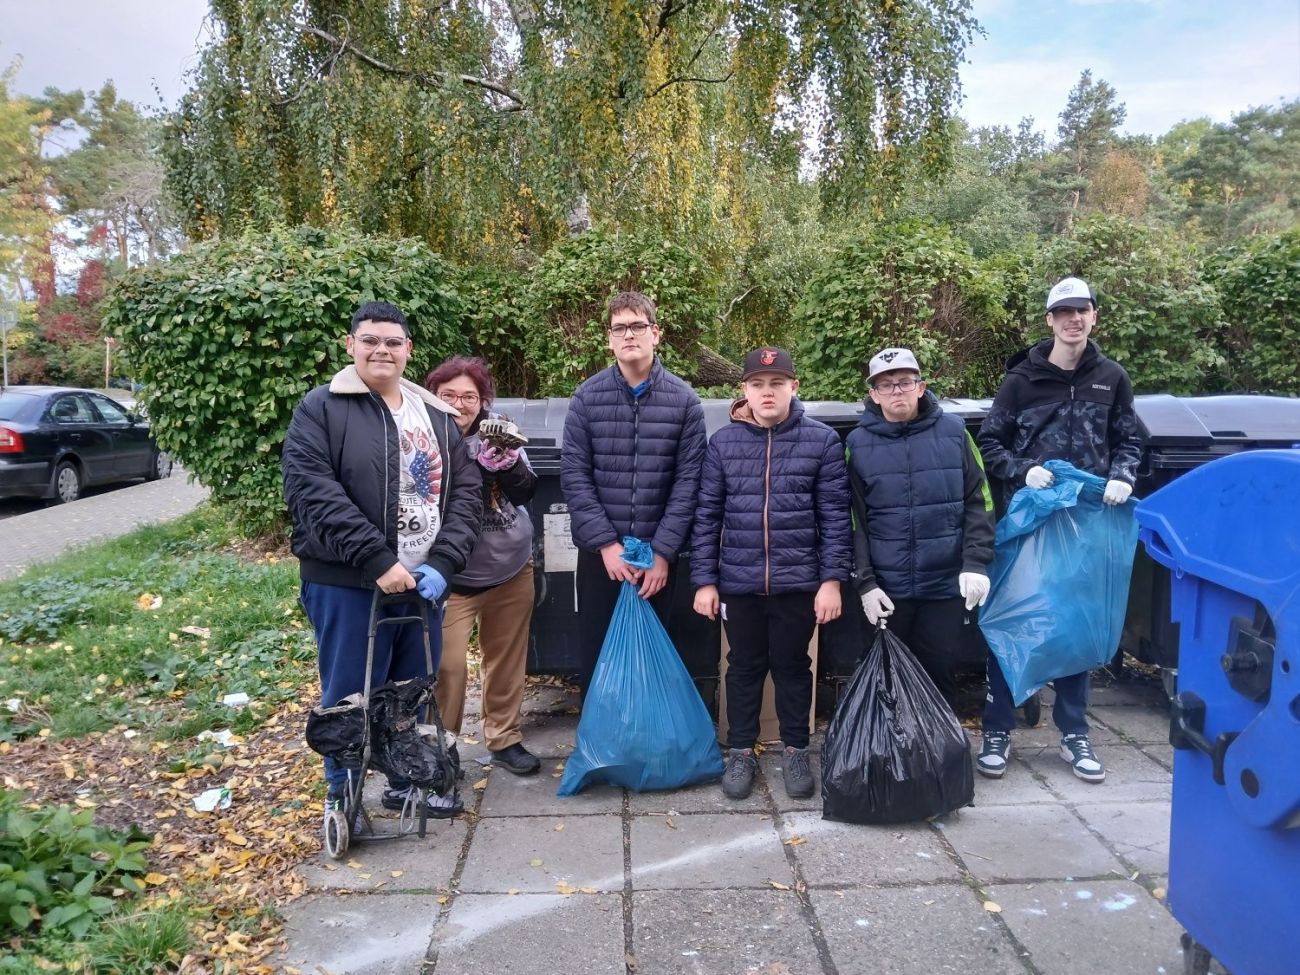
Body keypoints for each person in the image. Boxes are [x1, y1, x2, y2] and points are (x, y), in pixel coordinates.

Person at [283, 301, 482, 819]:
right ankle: (343, 795)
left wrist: (444, 563)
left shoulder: (434, 415)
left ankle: (405, 781)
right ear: (351, 344)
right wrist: (376, 560)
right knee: (349, 695)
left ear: (408, 350)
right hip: (348, 583)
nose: (381, 350)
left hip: (422, 585)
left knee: (411, 693)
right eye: (370, 340)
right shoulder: (322, 408)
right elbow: (312, 491)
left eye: (393, 342)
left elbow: (466, 495)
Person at [976, 276, 1141, 784]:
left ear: (1094, 317)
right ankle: (997, 729)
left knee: (1075, 623)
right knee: (1011, 617)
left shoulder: (1111, 377)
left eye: (1082, 310)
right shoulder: (1021, 381)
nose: (1074, 319)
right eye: (1064, 311)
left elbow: (1130, 439)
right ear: (1049, 320)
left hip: (1088, 524)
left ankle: (1074, 733)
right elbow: (989, 443)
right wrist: (1023, 470)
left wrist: (1123, 475)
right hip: (1031, 523)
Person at [692, 347, 851, 801]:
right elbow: (706, 517)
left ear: (793, 387)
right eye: (758, 384)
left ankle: (796, 750)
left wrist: (831, 581)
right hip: (738, 583)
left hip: (798, 583)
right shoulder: (723, 444)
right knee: (742, 667)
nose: (767, 392)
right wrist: (705, 581)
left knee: (793, 667)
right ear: (743, 390)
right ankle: (741, 751)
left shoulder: (822, 441)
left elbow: (835, 518)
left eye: (777, 384)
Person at [560, 290, 707, 701]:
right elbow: (575, 476)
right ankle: (603, 737)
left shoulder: (684, 402)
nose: (629, 335)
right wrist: (606, 545)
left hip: (659, 560)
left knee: (655, 658)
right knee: (600, 654)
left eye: (638, 326)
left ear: (655, 333)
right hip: (602, 559)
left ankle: (652, 737)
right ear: (609, 339)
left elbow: (689, 483)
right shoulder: (586, 398)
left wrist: (663, 553)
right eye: (619, 328)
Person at [846, 347, 995, 710]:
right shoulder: (857, 444)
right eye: (886, 385)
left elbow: (981, 501)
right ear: (873, 394)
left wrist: (975, 563)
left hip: (943, 586)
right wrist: (865, 583)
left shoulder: (955, 433)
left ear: (921, 386)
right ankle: (890, 744)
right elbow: (854, 520)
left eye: (905, 382)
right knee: (886, 677)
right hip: (887, 589)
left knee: (938, 673)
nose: (896, 391)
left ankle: (937, 744)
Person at [425, 356, 541, 776]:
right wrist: (478, 471)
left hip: (511, 567)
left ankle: (504, 738)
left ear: (482, 400)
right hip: (451, 578)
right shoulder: (424, 436)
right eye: (449, 395)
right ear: (434, 397)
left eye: (469, 396)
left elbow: (526, 492)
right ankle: (442, 744)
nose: (460, 404)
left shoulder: (499, 430)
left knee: (506, 660)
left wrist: (509, 465)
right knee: (447, 666)